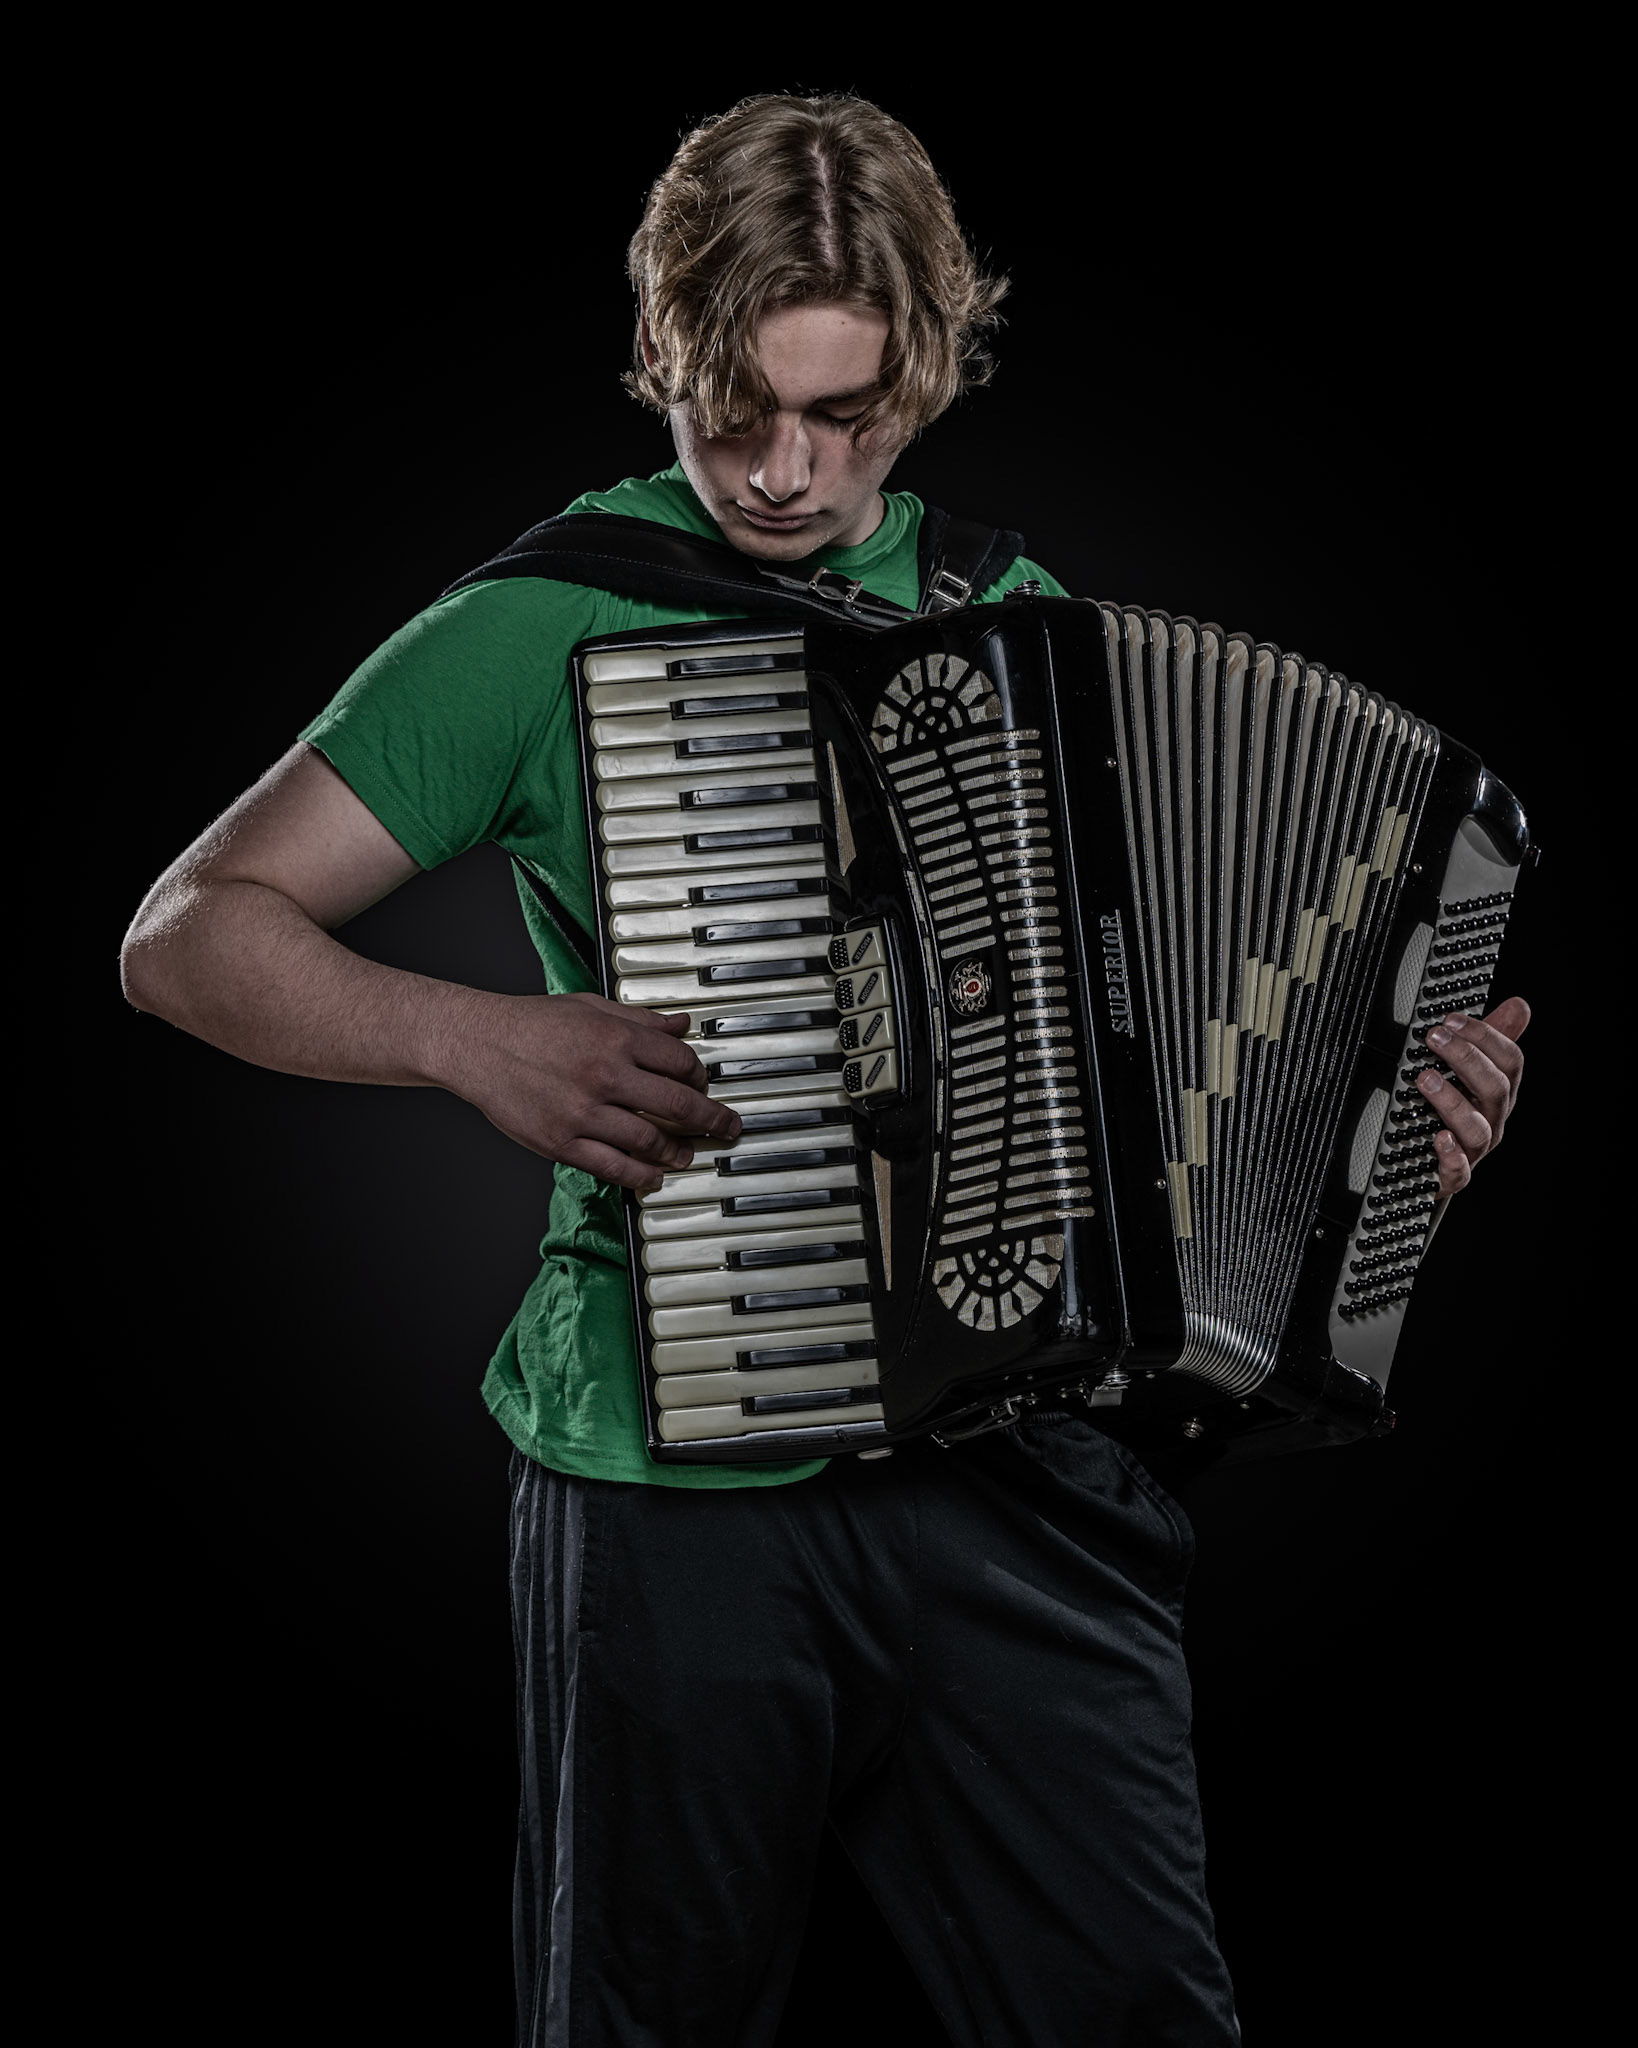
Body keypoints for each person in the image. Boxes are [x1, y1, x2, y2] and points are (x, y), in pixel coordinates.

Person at [120, 93, 1529, 2047]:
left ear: (925, 372)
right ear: (662, 354)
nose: (786, 472)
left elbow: (1147, 1097)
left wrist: (1371, 1150)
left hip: (1018, 1477)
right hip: (672, 1481)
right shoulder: (541, 624)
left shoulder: (1021, 625)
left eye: (844, 417)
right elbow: (190, 930)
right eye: (737, 414)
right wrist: (466, 1034)